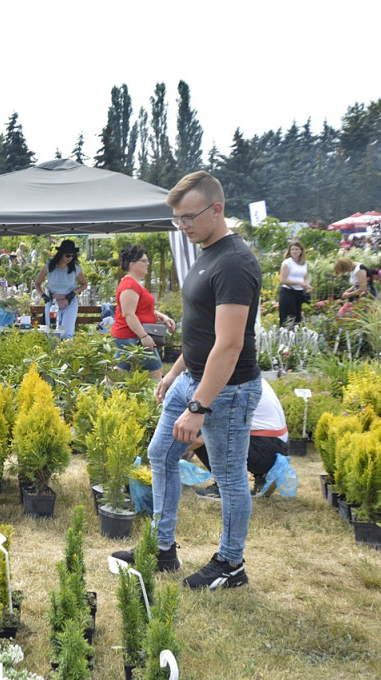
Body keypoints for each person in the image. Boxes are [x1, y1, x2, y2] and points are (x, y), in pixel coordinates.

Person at [111, 171, 262, 591]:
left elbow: (229, 345)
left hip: (225, 390)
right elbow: (202, 331)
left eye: (189, 217)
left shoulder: (234, 261)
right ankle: (163, 550)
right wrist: (175, 372)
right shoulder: (207, 251)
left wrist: (199, 406)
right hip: (191, 377)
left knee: (229, 478)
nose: (183, 226)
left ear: (217, 209)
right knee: (160, 455)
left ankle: (231, 563)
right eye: (178, 219)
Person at [189, 379, 292, 499]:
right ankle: (262, 476)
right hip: (279, 446)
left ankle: (224, 485)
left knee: (199, 430)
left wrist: (173, 452)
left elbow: (203, 439)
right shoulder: (251, 377)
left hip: (263, 450)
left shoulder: (230, 385)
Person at [111, 244, 176, 379]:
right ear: (133, 264)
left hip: (131, 336)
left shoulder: (134, 284)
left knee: (119, 373)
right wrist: (144, 336)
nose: (148, 263)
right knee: (155, 371)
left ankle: (97, 395)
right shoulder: (130, 285)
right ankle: (156, 398)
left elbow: (141, 307)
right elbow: (128, 314)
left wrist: (161, 316)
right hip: (131, 336)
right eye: (144, 261)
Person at [33, 239, 89, 340]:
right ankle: (53, 354)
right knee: (52, 333)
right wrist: (43, 295)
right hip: (52, 302)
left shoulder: (75, 267)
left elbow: (84, 284)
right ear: (61, 254)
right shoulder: (49, 266)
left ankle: (66, 354)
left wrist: (74, 292)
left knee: (67, 333)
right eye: (68, 255)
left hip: (69, 301)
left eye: (73, 256)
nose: (70, 258)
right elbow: (37, 283)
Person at [278, 240, 312, 327]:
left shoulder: (303, 263)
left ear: (301, 251)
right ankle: (285, 337)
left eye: (296, 249)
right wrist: (299, 283)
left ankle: (296, 338)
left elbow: (304, 278)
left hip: (299, 293)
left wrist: (307, 285)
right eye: (292, 249)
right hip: (288, 292)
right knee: (288, 318)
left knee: (297, 319)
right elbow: (282, 280)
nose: (294, 251)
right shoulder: (287, 263)